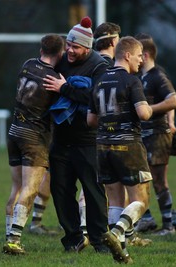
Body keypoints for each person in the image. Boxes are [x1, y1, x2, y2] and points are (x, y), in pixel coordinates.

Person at [43, 16, 110, 253]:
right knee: (60, 191)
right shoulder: (61, 61)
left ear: (88, 47)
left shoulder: (99, 66)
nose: (70, 50)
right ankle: (73, 237)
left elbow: (97, 99)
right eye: (68, 45)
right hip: (60, 141)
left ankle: (101, 241)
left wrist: (65, 89)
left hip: (88, 142)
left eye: (76, 47)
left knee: (93, 193)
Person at [87, 36, 153, 264]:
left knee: (115, 200)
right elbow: (144, 114)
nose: (141, 60)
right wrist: (151, 109)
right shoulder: (132, 81)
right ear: (126, 55)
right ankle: (116, 233)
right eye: (138, 55)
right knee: (141, 200)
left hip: (103, 146)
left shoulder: (99, 80)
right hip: (128, 145)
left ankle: (121, 252)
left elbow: (91, 120)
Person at [2, 34, 65, 255]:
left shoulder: (27, 64)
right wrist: (64, 87)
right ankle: (14, 240)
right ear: (61, 53)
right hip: (33, 136)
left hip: (14, 131)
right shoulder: (54, 78)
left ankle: (8, 234)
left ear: (41, 50)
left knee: (16, 188)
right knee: (31, 188)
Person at [75, 21, 121, 238]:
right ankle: (112, 230)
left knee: (92, 182)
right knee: (102, 183)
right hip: (102, 132)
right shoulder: (108, 66)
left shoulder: (89, 62)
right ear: (114, 41)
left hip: (82, 129)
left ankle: (88, 227)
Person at [133, 33, 176, 236]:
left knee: (159, 181)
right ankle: (147, 219)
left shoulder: (157, 75)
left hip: (158, 135)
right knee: (138, 179)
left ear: (146, 54)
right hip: (142, 135)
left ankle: (169, 226)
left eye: (136, 52)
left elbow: (173, 101)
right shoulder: (139, 76)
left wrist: (152, 110)